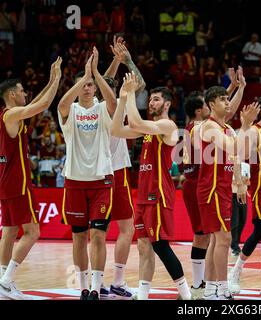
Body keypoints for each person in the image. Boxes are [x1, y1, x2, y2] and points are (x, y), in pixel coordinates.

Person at [111, 74, 191, 300]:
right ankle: (143, 294)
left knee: (160, 246)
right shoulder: (148, 130)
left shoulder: (167, 125)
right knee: (144, 246)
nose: (151, 103)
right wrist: (123, 97)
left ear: (166, 104)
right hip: (144, 196)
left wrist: (128, 97)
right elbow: (116, 130)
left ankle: (186, 295)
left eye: (155, 99)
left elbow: (135, 123)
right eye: (151, 99)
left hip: (158, 195)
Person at [57, 48, 117, 301]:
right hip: (74, 181)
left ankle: (96, 286)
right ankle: (83, 287)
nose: (88, 88)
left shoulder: (103, 109)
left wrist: (95, 74)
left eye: (91, 85)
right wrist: (84, 76)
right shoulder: (70, 111)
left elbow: (114, 102)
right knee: (79, 237)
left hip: (101, 180)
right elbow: (60, 103)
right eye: (84, 85)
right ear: (79, 86)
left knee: (99, 236)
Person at [0, 57, 61, 299]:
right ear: (12, 94)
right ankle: (6, 280)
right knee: (33, 232)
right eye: (22, 91)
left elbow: (35, 103)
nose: (25, 93)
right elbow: (42, 104)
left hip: (6, 181)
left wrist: (49, 80)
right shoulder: (12, 114)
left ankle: (3, 282)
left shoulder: (11, 115)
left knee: (9, 230)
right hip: (18, 182)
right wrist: (55, 79)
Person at [197, 86, 259, 300]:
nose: (227, 102)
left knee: (217, 241)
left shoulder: (227, 128)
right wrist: (246, 125)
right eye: (223, 99)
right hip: (211, 189)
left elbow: (238, 155)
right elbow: (232, 148)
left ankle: (210, 290)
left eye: (228, 98)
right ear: (212, 104)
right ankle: (222, 290)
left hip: (223, 188)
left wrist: (240, 183)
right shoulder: (209, 127)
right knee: (224, 238)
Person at [102, 36, 146, 299]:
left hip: (92, 172)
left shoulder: (90, 105)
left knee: (95, 233)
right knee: (126, 228)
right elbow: (139, 84)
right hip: (115, 171)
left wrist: (113, 64)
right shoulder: (115, 105)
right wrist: (127, 59)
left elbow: (102, 83)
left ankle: (92, 284)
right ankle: (118, 281)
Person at [228, 94, 261, 297]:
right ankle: (235, 272)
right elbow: (240, 157)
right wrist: (241, 184)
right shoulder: (254, 132)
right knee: (260, 230)